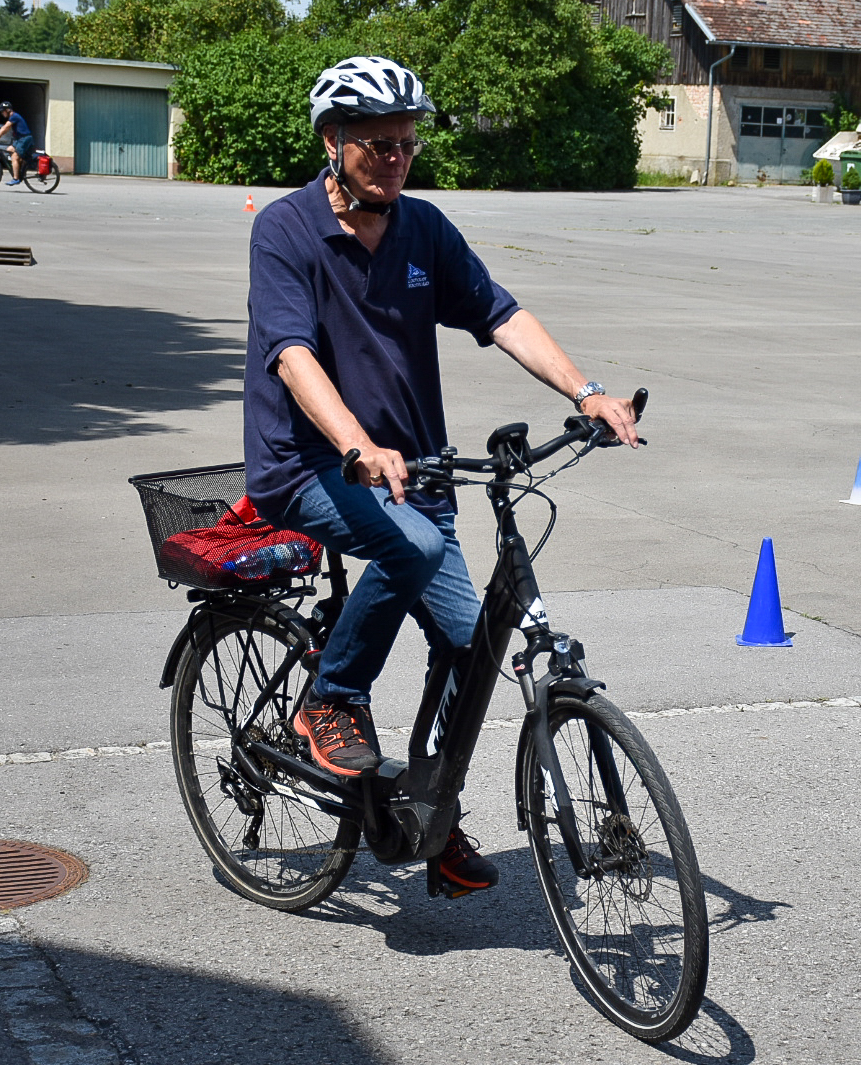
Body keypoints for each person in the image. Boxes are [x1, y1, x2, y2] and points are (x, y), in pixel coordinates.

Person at [243, 56, 639, 896]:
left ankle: (427, 810)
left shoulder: (422, 229)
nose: (396, 159)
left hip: (415, 476)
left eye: (407, 144)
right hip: (308, 464)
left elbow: (500, 313)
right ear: (332, 140)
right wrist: (356, 443)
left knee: (473, 644)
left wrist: (587, 392)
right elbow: (292, 355)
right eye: (377, 144)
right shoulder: (284, 230)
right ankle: (330, 698)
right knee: (414, 549)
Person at [0, 102, 34, 186]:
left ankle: (16, 178)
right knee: (9, 149)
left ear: (8, 110)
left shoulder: (14, 116)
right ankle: (20, 168)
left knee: (14, 156)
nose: (2, 113)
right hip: (20, 139)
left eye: (2, 111)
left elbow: (5, 128)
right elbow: (5, 128)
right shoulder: (13, 117)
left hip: (24, 139)